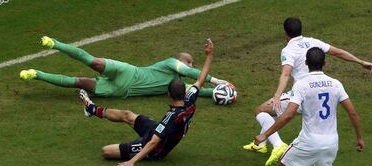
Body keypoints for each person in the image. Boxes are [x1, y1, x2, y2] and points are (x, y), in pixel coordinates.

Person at [243, 47, 364, 166]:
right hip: (331, 142)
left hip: (309, 141)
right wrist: (359, 138)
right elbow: (353, 113)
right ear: (325, 63)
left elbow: (289, 114)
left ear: (306, 63)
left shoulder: (302, 84)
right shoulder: (336, 84)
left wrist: (265, 134)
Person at [243, 17, 372, 166]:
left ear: (285, 33)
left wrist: (277, 95)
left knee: (261, 111)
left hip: (301, 96)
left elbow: (286, 74)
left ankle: (278, 145)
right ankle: (260, 144)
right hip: (319, 96)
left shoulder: (288, 50)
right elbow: (338, 52)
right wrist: (361, 62)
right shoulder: (314, 42)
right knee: (272, 112)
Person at [78, 38, 214, 166]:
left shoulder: (171, 118)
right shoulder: (189, 98)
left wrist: (132, 161)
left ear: (169, 95)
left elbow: (153, 142)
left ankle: (139, 152)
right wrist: (209, 55)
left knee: (106, 151)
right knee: (127, 115)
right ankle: (92, 109)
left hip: (156, 149)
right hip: (158, 132)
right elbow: (200, 80)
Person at [20, 36, 227, 98]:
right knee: (93, 61)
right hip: (128, 71)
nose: (191, 65)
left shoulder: (176, 87)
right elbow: (192, 74)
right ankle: (54, 43)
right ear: (182, 61)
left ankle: (36, 74)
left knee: (79, 82)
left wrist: (219, 93)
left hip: (122, 90)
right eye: (189, 61)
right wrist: (218, 81)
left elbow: (196, 91)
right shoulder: (171, 63)